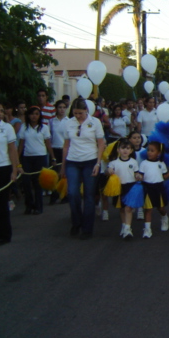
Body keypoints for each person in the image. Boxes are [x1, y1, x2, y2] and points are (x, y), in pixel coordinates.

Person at [60, 98, 106, 240]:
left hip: (90, 161)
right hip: (72, 161)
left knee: (89, 195)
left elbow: (101, 144)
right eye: (75, 113)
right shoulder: (69, 123)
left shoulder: (95, 122)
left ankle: (87, 228)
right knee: (72, 193)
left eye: (80, 113)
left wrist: (98, 163)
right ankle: (76, 222)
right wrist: (63, 166)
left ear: (86, 110)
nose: (78, 116)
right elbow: (66, 145)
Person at [18, 106, 55, 215]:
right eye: (32, 114)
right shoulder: (24, 127)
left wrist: (53, 157)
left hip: (40, 157)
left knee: (38, 183)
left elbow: (48, 144)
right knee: (26, 182)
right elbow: (21, 145)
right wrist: (17, 160)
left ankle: (39, 206)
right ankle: (29, 205)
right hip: (27, 157)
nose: (34, 116)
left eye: (36, 114)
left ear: (39, 116)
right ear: (28, 115)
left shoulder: (44, 128)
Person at [138, 141, 169, 238]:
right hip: (147, 188)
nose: (149, 152)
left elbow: (164, 176)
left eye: (152, 151)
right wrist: (138, 177)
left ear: (158, 153)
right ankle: (147, 229)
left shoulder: (161, 164)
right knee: (148, 209)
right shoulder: (143, 163)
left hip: (159, 188)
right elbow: (141, 176)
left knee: (161, 208)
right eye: (148, 150)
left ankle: (164, 217)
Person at [105, 139, 140, 240]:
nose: (125, 150)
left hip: (130, 186)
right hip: (119, 187)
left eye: (128, 148)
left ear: (131, 150)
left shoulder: (134, 162)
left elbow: (136, 173)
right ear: (118, 150)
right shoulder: (113, 163)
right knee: (121, 208)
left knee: (128, 208)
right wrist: (109, 171)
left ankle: (128, 229)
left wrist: (138, 176)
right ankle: (124, 225)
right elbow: (107, 172)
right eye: (123, 148)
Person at [0, 102, 21, 245]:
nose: (0, 113)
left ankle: (4, 234)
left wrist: (15, 169)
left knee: (1, 203)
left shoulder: (7, 128)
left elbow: (12, 149)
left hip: (3, 167)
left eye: (1, 111)